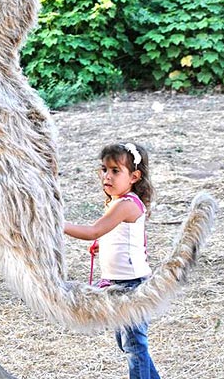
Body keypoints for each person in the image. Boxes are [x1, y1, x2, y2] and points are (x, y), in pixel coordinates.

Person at [64, 142, 161, 379]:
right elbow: (110, 234)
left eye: (115, 171)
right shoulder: (118, 202)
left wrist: (56, 224)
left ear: (134, 177)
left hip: (132, 285)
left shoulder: (126, 205)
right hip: (118, 283)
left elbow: (93, 231)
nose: (107, 176)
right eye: (104, 170)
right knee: (128, 343)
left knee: (134, 346)